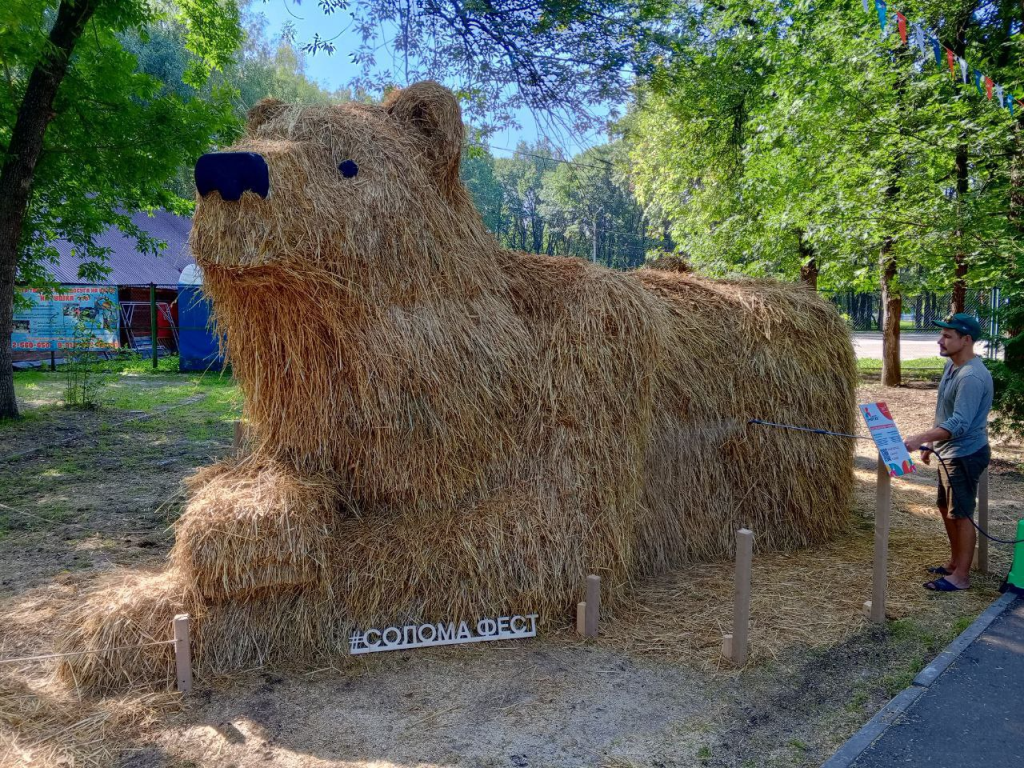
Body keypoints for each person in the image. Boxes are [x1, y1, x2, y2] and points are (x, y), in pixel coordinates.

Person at [903, 313, 993, 592]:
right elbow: (945, 411)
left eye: (947, 336)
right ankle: (954, 563)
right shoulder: (952, 367)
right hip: (949, 451)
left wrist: (922, 437)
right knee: (947, 508)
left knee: (961, 513)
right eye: (941, 335)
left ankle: (961, 577)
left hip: (965, 454)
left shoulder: (972, 376)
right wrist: (933, 444)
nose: (939, 341)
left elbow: (960, 423)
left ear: (966, 340)